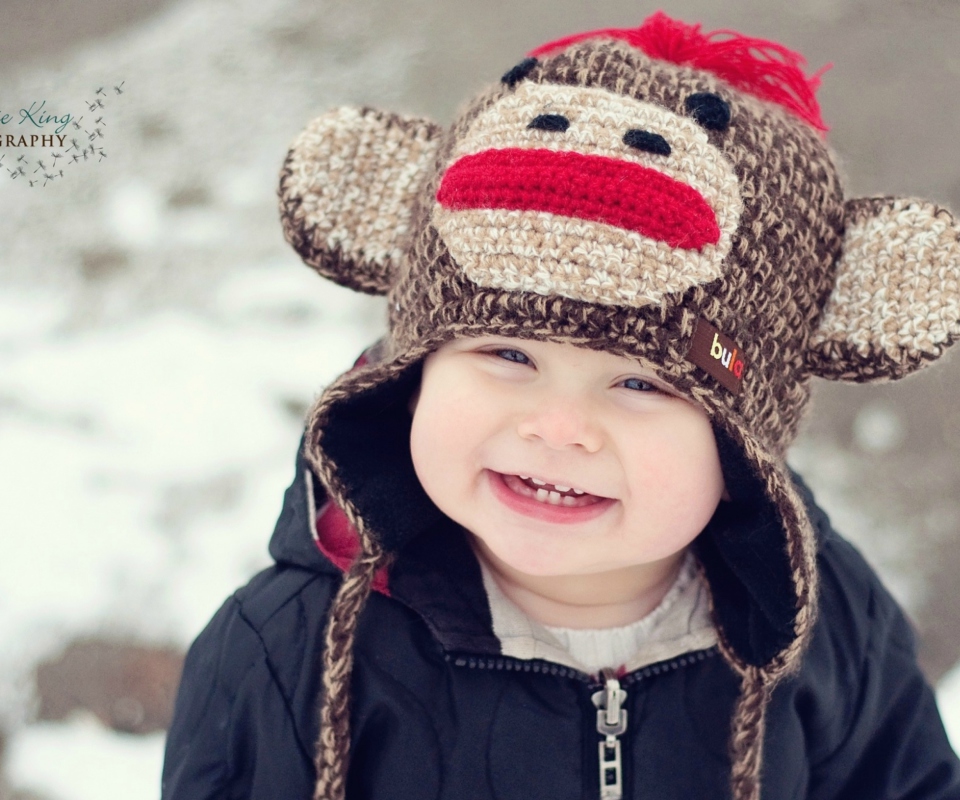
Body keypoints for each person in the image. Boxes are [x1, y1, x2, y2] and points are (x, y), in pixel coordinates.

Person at [161, 11, 960, 800]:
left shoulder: (824, 625)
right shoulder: (285, 652)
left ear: (741, 440)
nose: (560, 427)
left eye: (641, 384)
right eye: (509, 355)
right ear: (413, 376)